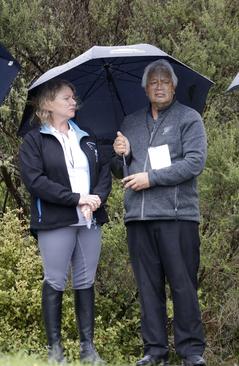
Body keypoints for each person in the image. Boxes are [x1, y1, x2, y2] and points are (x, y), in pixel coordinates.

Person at [111, 59, 207, 366]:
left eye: (165, 81)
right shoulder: (130, 122)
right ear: (145, 88)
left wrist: (151, 178)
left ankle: (191, 351)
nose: (160, 86)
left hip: (177, 217)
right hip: (138, 219)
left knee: (182, 285)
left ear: (174, 86)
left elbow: (194, 163)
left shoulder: (189, 118)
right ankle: (154, 351)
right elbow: (121, 171)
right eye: (153, 82)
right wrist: (121, 155)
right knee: (148, 288)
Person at [19, 79, 111, 364]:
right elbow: (35, 181)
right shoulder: (34, 140)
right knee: (55, 280)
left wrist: (95, 198)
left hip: (89, 221)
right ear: (48, 104)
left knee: (85, 281)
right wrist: (77, 199)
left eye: (74, 97)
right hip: (56, 221)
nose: (74, 102)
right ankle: (55, 350)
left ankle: (88, 349)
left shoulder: (88, 136)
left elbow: (104, 170)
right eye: (67, 98)